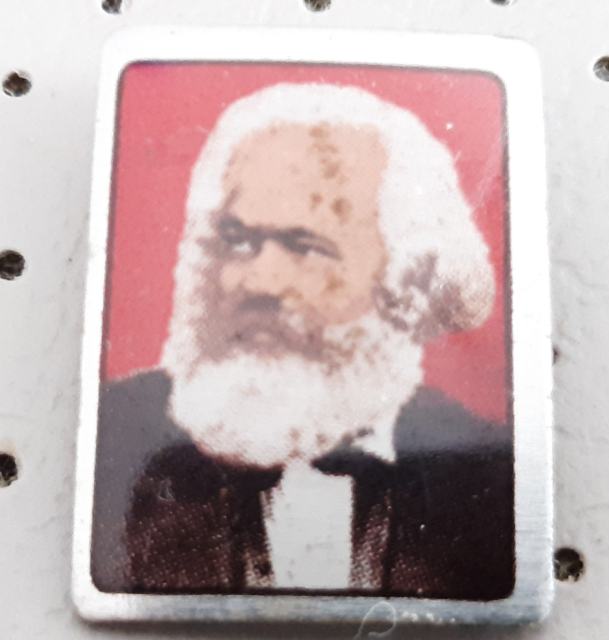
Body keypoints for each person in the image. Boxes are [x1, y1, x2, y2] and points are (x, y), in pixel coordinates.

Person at [92, 83, 514, 599]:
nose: (258, 280)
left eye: (306, 246)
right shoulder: (115, 435)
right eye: (237, 240)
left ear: (406, 279)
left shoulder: (484, 473)